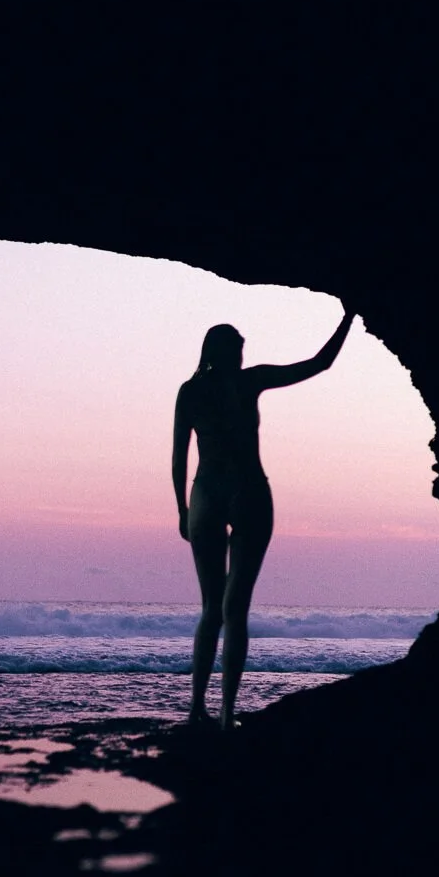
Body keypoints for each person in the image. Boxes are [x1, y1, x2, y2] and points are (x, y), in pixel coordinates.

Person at [172, 307, 355, 731]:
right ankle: (209, 710)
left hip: (219, 494)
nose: (238, 357)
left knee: (223, 609)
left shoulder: (216, 385)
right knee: (221, 609)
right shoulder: (226, 384)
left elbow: (317, 364)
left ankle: (216, 710)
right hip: (231, 492)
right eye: (235, 350)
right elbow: (178, 453)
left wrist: (182, 508)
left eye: (240, 351)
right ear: (218, 352)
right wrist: (181, 508)